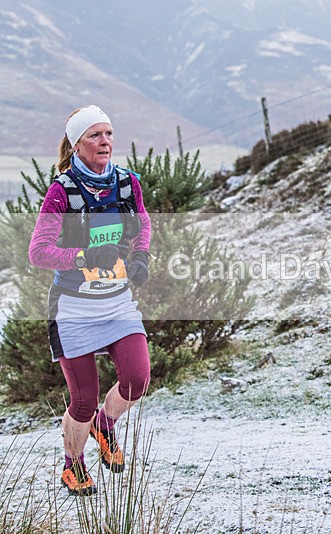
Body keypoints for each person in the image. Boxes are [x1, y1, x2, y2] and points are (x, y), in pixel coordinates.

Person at [29, 105, 152, 496]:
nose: (105, 142)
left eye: (109, 134)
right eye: (95, 136)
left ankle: (105, 425)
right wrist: (82, 257)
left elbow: (144, 222)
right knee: (83, 400)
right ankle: (73, 465)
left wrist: (141, 256)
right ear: (77, 144)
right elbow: (38, 251)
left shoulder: (128, 183)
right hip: (74, 308)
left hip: (117, 303)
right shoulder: (61, 191)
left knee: (137, 380)